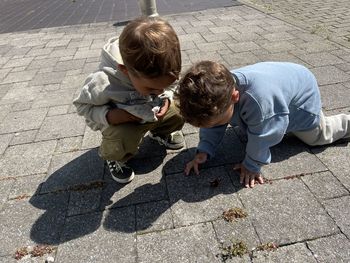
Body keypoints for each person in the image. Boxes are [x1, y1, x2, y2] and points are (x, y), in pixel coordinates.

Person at [175, 61, 350, 188]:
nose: (215, 126)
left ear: (235, 97)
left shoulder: (261, 103)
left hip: (302, 101)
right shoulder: (220, 89)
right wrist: (204, 150)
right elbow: (212, 125)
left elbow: (266, 134)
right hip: (282, 83)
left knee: (318, 136)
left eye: (217, 122)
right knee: (254, 123)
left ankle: (346, 123)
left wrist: (251, 165)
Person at [73, 17, 185, 184]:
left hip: (152, 113)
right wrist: (109, 116)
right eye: (152, 89)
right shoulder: (103, 82)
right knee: (121, 137)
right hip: (123, 123)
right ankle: (114, 157)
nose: (159, 91)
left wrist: (168, 97)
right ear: (125, 71)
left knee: (180, 108)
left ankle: (160, 133)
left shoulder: (163, 70)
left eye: (164, 85)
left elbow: (170, 87)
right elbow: (82, 106)